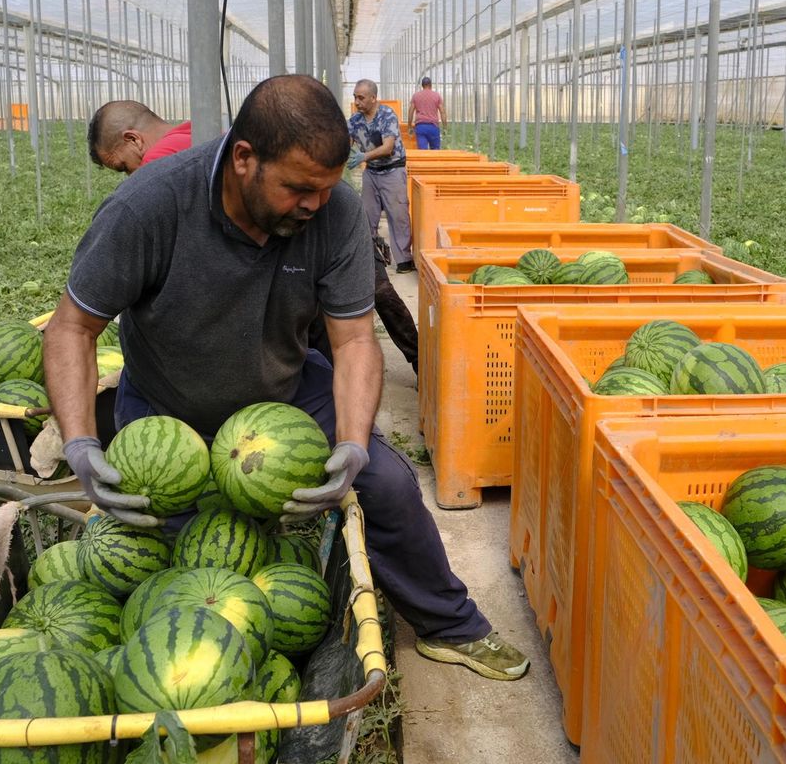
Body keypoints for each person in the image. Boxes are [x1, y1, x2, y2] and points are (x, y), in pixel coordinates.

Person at [48, 75, 526, 680]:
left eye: (326, 189)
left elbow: (353, 341)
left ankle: (451, 625)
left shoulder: (335, 212)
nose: (314, 206)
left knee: (388, 486)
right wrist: (81, 442)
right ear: (244, 159)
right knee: (179, 549)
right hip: (169, 406)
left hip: (284, 391)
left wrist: (353, 441)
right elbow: (71, 329)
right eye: (299, 188)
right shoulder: (150, 204)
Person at [85, 97, 420, 378]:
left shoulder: (157, 168)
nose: (128, 174)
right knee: (359, 301)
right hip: (315, 235)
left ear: (133, 140)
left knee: (338, 311)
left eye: (121, 167)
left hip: (303, 234)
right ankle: (407, 362)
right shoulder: (197, 131)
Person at [348, 80, 414, 274]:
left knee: (398, 215)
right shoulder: (354, 121)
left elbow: (388, 147)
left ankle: (403, 260)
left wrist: (364, 156)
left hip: (392, 170)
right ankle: (370, 258)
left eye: (361, 97)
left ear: (373, 98)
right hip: (372, 171)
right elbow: (345, 142)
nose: (357, 102)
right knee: (366, 216)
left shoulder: (386, 115)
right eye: (355, 97)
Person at [86, 100, 193, 173]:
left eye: (124, 167)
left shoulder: (156, 161)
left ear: (133, 139)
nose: (131, 176)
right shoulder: (195, 130)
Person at [407, 76, 445, 150]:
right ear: (431, 85)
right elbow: (442, 112)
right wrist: (445, 127)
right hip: (433, 127)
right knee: (435, 152)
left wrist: (409, 126)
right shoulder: (437, 96)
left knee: (422, 152)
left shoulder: (416, 96)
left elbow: (410, 112)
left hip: (420, 127)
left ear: (422, 85)